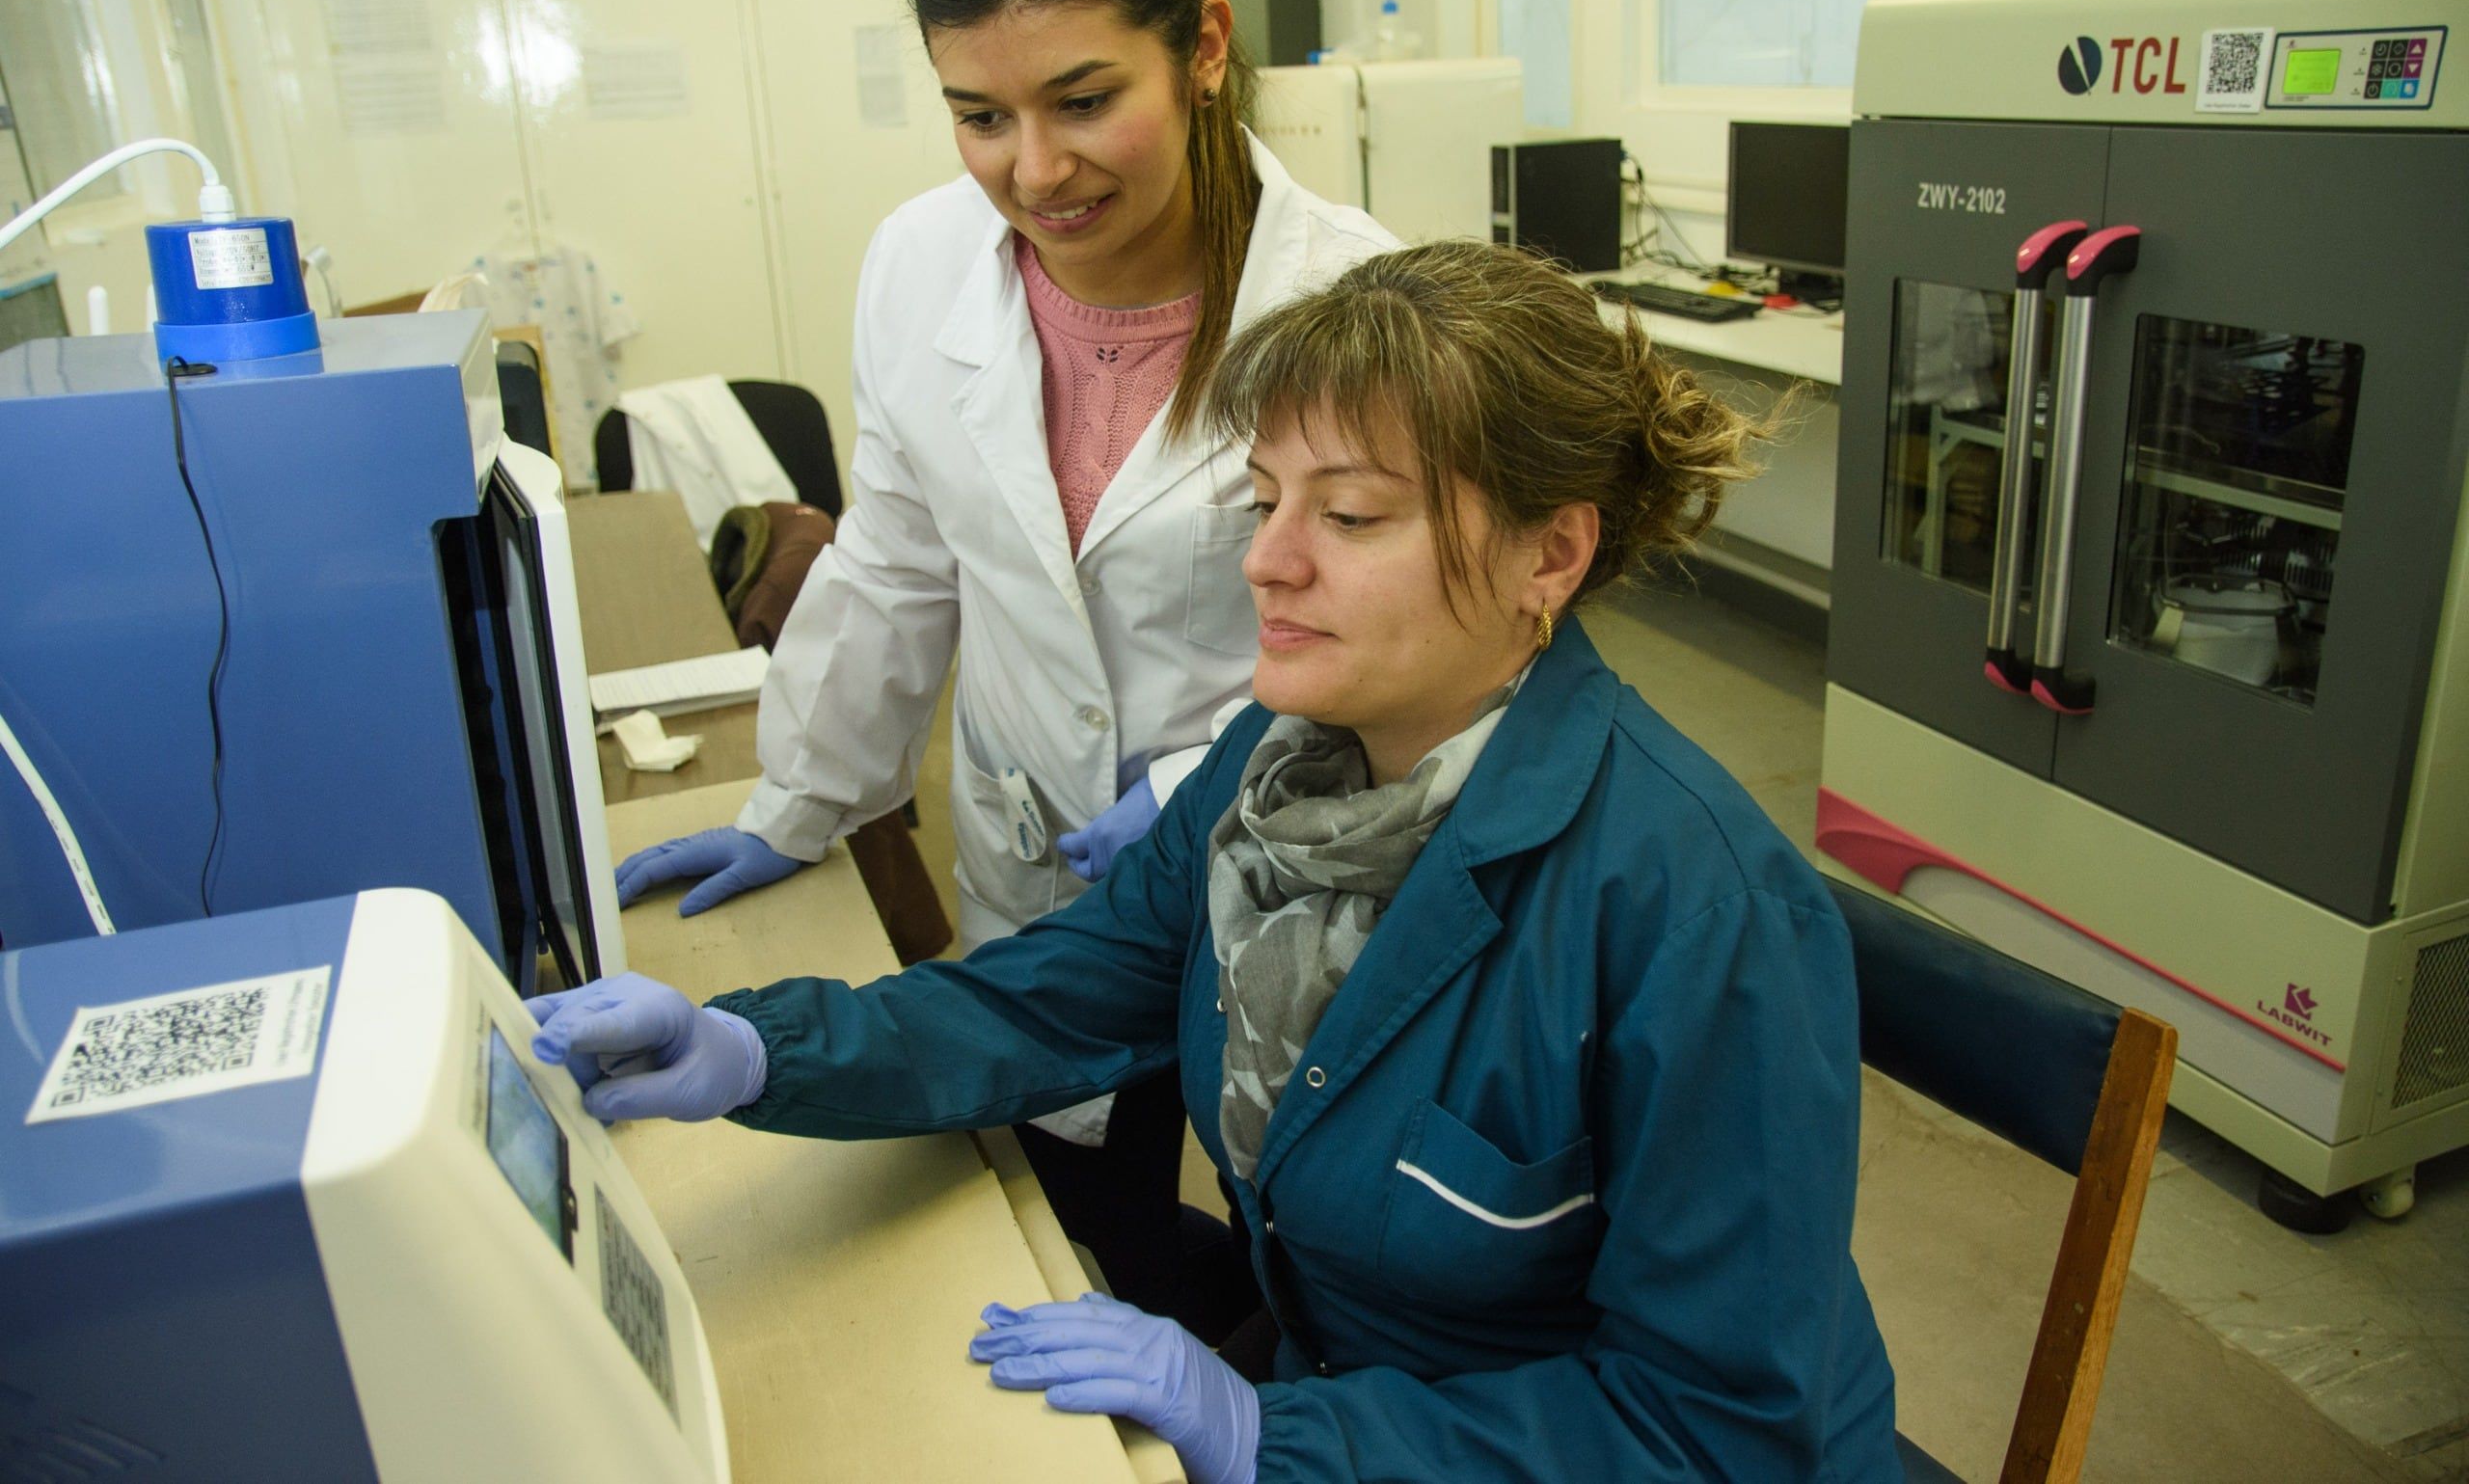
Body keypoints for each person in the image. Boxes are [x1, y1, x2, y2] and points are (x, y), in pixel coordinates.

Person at [531, 238, 1902, 1482]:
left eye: (1349, 517)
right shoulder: (1275, 762)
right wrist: (756, 1049)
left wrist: (1274, 1437)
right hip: (1347, 1391)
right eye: (1262, 501)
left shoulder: (1701, 917)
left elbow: (1713, 1432)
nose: (1269, 562)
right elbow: (1057, 998)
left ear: (1551, 553)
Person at [609, 0, 1394, 1323]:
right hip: (1034, 850)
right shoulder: (919, 262)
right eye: (981, 114)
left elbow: (1411, 648)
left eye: (1085, 101)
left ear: (1203, 47)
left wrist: (1197, 788)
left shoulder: (1354, 301)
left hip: (1288, 844)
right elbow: (898, 558)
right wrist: (801, 795)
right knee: (1079, 1198)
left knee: (1306, 1230)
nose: (1034, 170)